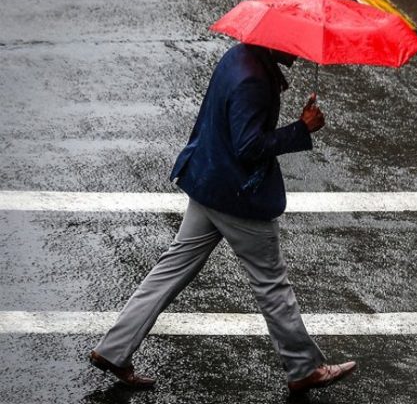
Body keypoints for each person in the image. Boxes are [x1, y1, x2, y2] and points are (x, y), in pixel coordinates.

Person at [88, 43, 356, 393]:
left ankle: (113, 350)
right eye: (294, 47)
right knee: (271, 283)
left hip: (208, 181)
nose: (301, 53)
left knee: (170, 270)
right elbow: (248, 147)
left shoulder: (239, 57)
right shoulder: (253, 79)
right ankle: (304, 367)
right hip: (235, 194)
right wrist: (301, 129)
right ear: (274, 42)